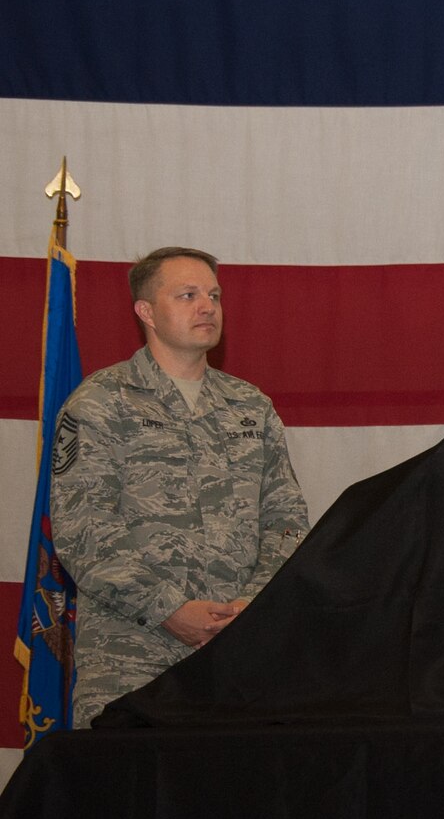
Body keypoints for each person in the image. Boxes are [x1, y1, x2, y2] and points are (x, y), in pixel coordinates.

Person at [50, 246, 310, 727]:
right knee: (125, 798)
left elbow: (287, 523)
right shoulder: (100, 403)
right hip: (131, 656)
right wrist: (169, 609)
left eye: (213, 294)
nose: (207, 306)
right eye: (188, 295)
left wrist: (250, 607)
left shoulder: (249, 405)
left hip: (238, 657)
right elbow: (83, 531)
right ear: (146, 311)